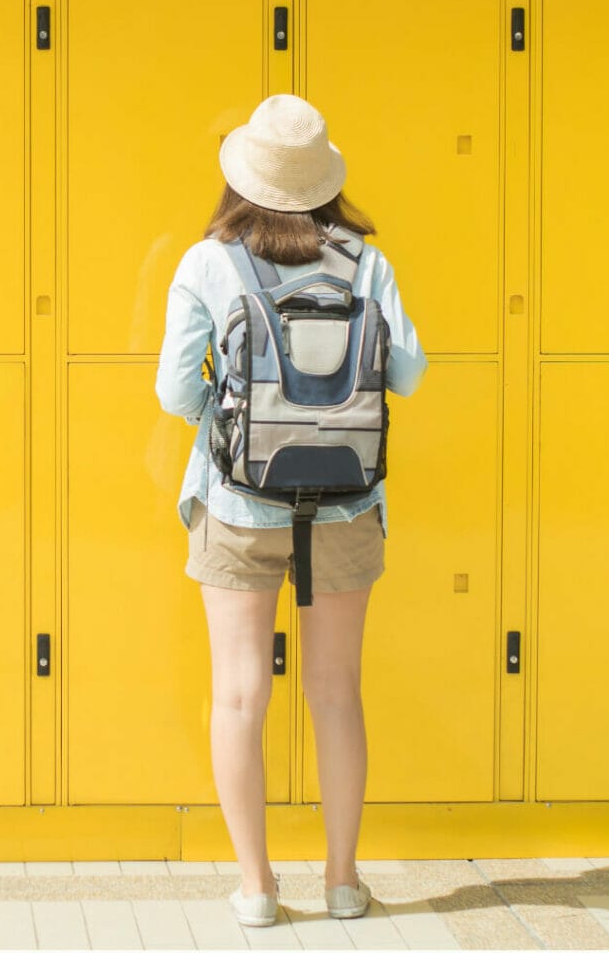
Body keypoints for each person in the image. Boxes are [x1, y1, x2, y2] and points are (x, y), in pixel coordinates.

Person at [155, 94, 428, 927]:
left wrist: (227, 411)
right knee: (337, 692)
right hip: (347, 504)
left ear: (244, 178)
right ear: (322, 181)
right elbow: (409, 375)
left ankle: (258, 889)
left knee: (239, 697)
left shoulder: (210, 261)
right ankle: (343, 882)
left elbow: (175, 391)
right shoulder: (363, 262)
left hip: (238, 503)